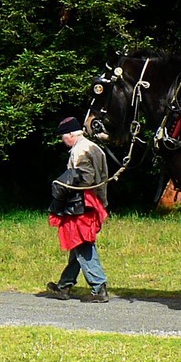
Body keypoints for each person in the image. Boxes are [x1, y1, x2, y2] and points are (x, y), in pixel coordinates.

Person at [45, 116, 111, 303]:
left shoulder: (80, 151)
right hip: (92, 201)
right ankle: (64, 286)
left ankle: (99, 287)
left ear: (71, 135)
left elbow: (85, 178)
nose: (62, 140)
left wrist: (61, 185)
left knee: (82, 243)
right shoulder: (94, 147)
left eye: (62, 136)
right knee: (78, 244)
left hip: (80, 203)